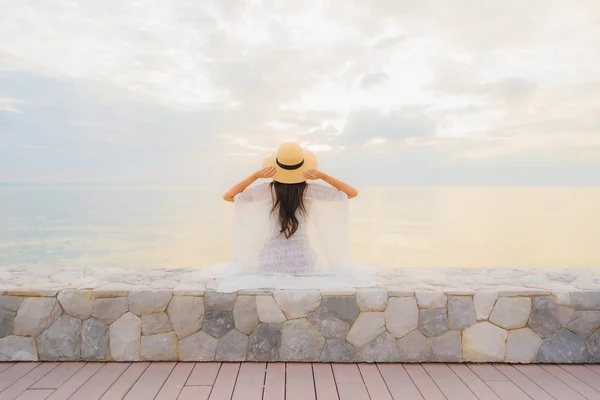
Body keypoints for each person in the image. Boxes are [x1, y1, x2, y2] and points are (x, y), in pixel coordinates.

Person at [222, 142, 359, 276]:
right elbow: (351, 193)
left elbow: (229, 196)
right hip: (304, 262)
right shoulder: (311, 191)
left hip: (271, 261)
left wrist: (255, 176)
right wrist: (323, 176)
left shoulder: (266, 190)